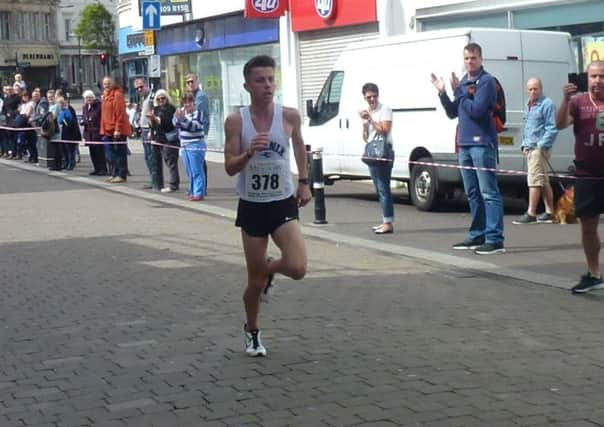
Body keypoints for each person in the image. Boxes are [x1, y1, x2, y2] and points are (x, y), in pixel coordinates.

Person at [224, 55, 312, 357]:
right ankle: (252, 330)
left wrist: (304, 181)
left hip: (282, 202)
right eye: (260, 80)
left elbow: (300, 146)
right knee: (254, 282)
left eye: (271, 79)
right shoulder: (236, 121)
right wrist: (249, 153)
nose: (267, 85)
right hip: (252, 205)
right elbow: (229, 167)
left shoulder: (289, 116)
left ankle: (270, 271)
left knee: (298, 267)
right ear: (247, 85)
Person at [431, 42, 505, 255]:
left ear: (481, 59)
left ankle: (495, 238)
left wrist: (459, 93)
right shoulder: (463, 82)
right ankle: (477, 234)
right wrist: (444, 93)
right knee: (472, 193)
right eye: (466, 58)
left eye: (473, 58)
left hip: (482, 143)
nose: (469, 62)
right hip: (464, 144)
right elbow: (454, 112)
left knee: (488, 192)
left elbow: (477, 110)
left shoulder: (487, 82)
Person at [556, 60, 604, 293]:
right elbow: (560, 123)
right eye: (593, 76)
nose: (597, 81)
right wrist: (565, 100)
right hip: (587, 175)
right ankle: (594, 274)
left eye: (602, 76)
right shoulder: (578, 102)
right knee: (588, 227)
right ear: (587, 78)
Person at [513, 78, 558, 225]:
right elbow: (528, 128)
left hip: (539, 149)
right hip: (531, 148)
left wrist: (540, 146)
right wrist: (524, 145)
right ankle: (550, 211)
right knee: (543, 180)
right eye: (530, 89)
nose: (533, 92)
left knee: (534, 180)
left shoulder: (547, 104)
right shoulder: (529, 105)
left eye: (535, 89)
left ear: (541, 88)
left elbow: (552, 128)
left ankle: (531, 213)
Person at [360, 83, 394, 234]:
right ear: (364, 97)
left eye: (374, 96)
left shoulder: (384, 109)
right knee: (378, 188)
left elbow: (385, 130)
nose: (372, 99)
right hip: (372, 152)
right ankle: (385, 220)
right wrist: (365, 125)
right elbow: (366, 137)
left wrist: (372, 120)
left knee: (383, 187)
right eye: (369, 97)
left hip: (384, 152)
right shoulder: (367, 111)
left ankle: (388, 222)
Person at [173, 91, 206, 201]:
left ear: (193, 102)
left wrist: (184, 120)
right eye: (185, 102)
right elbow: (175, 124)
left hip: (196, 144)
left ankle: (199, 193)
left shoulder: (199, 113)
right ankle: (192, 191)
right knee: (189, 170)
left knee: (197, 169)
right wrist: (180, 119)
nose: (187, 105)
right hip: (184, 145)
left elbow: (195, 127)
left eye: (189, 102)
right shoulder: (181, 112)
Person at [100, 76, 131, 183]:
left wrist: (117, 129)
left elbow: (120, 114)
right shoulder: (105, 95)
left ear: (113, 83)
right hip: (107, 129)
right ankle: (114, 173)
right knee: (110, 153)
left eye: (108, 83)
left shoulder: (117, 95)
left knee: (120, 153)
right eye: (105, 84)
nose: (107, 86)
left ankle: (121, 174)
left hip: (117, 130)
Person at [148, 89, 178, 193]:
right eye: (159, 99)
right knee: (166, 161)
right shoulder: (155, 109)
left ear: (167, 98)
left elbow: (168, 123)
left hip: (169, 139)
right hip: (159, 138)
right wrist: (151, 120)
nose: (161, 100)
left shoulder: (171, 108)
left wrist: (155, 119)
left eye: (163, 98)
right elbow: (153, 125)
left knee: (171, 162)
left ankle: (173, 185)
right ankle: (170, 183)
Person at [185, 73, 210, 191]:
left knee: (198, 163)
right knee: (193, 163)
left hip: (198, 132)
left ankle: (200, 188)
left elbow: (194, 112)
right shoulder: (191, 96)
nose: (190, 84)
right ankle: (195, 187)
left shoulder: (200, 96)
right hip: (191, 134)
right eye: (188, 82)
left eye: (192, 81)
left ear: (197, 81)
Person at [135, 77, 160, 190]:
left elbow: (154, 113)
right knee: (147, 156)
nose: (139, 90)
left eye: (141, 87)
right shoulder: (142, 98)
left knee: (152, 156)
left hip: (149, 130)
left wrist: (151, 128)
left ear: (146, 85)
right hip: (143, 129)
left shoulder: (151, 97)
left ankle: (155, 181)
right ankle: (152, 179)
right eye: (137, 88)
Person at [81, 90, 107, 175]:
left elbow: (100, 118)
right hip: (89, 133)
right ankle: (96, 168)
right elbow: (84, 117)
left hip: (97, 132)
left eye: (90, 97)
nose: (88, 99)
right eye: (86, 98)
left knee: (99, 152)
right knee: (92, 152)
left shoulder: (98, 106)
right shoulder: (85, 107)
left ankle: (103, 169)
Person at [56, 96, 81, 170]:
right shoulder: (60, 111)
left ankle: (71, 164)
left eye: (61, 103)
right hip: (63, 133)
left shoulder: (68, 110)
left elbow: (72, 122)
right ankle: (66, 163)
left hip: (70, 133)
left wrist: (65, 122)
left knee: (70, 150)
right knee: (65, 150)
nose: (60, 105)